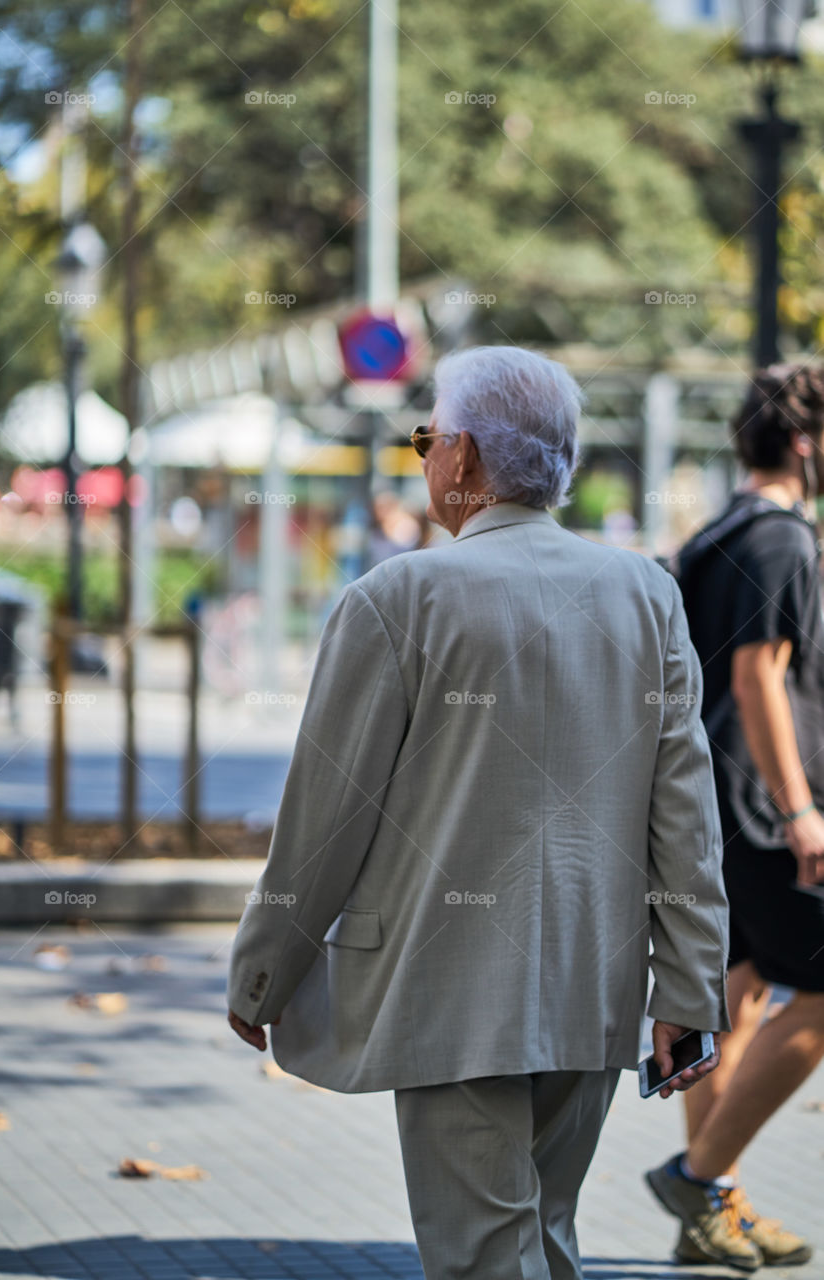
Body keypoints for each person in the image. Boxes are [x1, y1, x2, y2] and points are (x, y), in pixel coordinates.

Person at [227, 345, 731, 1280]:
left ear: (459, 458)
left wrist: (263, 973)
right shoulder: (644, 596)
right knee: (543, 1237)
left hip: (448, 990)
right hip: (595, 984)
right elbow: (684, 821)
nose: (423, 460)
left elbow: (325, 819)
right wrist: (690, 992)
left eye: (425, 439)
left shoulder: (397, 598)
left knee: (484, 1257)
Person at [646, 364, 824, 1270]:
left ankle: (713, 1207)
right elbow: (759, 677)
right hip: (756, 808)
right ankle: (695, 1175)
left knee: (730, 1000)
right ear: (802, 442)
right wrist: (800, 811)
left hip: (705, 801)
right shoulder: (782, 540)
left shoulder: (718, 529)